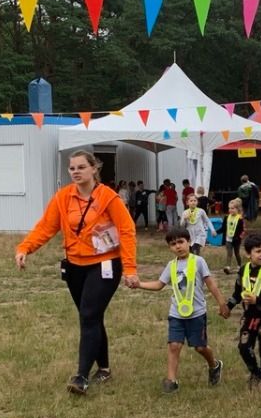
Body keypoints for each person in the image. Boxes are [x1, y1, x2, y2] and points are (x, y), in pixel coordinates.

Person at [14, 150, 138, 395]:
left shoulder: (108, 197)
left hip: (104, 264)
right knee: (91, 316)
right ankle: (104, 368)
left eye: (81, 167)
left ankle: (81, 376)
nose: (76, 172)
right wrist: (25, 248)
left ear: (94, 168)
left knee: (89, 315)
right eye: (72, 168)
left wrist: (130, 268)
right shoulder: (63, 197)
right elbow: (46, 227)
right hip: (74, 266)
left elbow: (126, 230)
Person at [133, 227, 226, 394]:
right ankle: (171, 381)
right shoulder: (171, 266)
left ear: (189, 242)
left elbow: (211, 284)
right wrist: (139, 284)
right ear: (169, 247)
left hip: (197, 313)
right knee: (174, 345)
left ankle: (214, 365)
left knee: (200, 347)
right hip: (176, 314)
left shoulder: (199, 261)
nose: (178, 246)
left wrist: (222, 303)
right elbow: (159, 285)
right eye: (173, 244)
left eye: (181, 242)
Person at [224, 233, 261, 388]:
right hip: (249, 317)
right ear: (248, 254)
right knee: (244, 347)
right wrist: (228, 306)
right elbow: (238, 293)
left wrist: (259, 300)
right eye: (258, 251)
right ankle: (255, 373)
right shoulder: (243, 270)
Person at [221, 198, 245, 274]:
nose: (230, 210)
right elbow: (223, 228)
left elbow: (241, 230)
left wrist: (239, 237)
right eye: (229, 208)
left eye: (233, 208)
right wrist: (216, 232)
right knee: (229, 253)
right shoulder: (226, 218)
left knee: (236, 253)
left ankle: (239, 266)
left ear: (237, 209)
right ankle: (228, 267)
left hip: (236, 240)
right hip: (228, 239)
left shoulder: (240, 219)